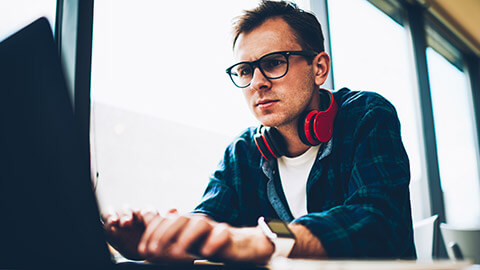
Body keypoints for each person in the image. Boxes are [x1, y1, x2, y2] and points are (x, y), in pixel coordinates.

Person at [104, 0, 415, 264]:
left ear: (319, 68)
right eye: (245, 70)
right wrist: (164, 239)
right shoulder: (242, 152)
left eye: (274, 62)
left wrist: (265, 240)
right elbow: (209, 221)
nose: (256, 83)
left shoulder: (367, 115)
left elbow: (375, 223)